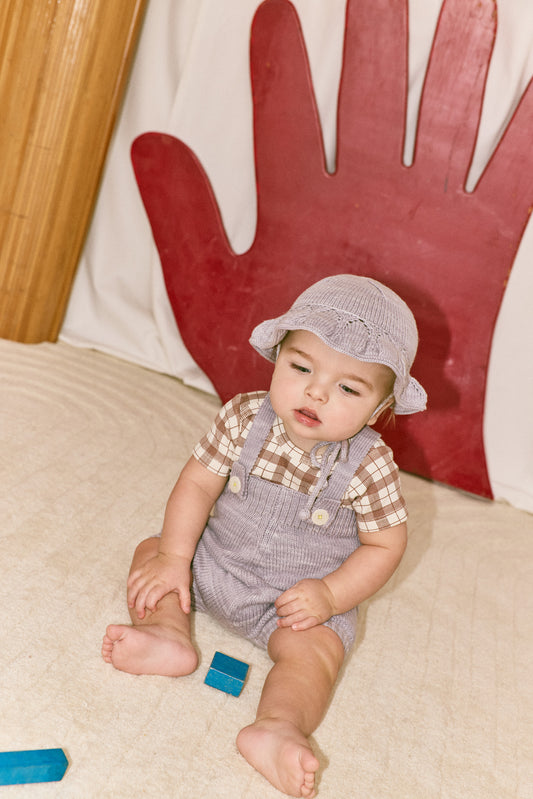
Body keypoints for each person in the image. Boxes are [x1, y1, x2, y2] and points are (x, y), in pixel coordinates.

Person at [102, 274, 426, 798]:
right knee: (152, 551)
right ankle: (167, 633)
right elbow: (197, 484)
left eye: (348, 388)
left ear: (378, 410)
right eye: (301, 367)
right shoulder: (244, 416)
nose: (316, 392)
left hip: (296, 605)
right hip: (214, 563)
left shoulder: (371, 466)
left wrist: (330, 596)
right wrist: (175, 556)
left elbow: (386, 545)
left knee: (318, 653)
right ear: (277, 358)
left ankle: (277, 726)